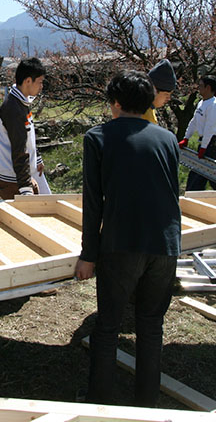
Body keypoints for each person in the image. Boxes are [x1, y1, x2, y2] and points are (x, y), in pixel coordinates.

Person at [75, 70, 181, 407]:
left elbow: (93, 202)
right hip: (165, 245)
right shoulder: (167, 139)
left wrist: (88, 255)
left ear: (116, 103)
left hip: (121, 244)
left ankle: (99, 403)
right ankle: (146, 404)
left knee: (108, 327)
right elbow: (172, 195)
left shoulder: (98, 137)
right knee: (151, 326)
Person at [0, 57, 48, 200]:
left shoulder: (21, 102)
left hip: (23, 173)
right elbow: (19, 149)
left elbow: (27, 137)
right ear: (28, 81)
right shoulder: (13, 109)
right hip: (14, 177)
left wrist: (37, 159)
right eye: (40, 82)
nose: (41, 86)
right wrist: (26, 188)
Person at [179, 76, 216, 191]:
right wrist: (186, 138)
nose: (198, 88)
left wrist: (204, 147)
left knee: (214, 178)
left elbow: (210, 128)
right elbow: (194, 121)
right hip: (205, 142)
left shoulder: (214, 105)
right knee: (197, 176)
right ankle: (193, 195)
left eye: (201, 86)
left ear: (208, 88)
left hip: (213, 143)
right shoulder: (201, 103)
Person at [143, 59, 176, 124]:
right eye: (166, 94)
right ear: (154, 89)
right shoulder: (142, 115)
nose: (168, 98)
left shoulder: (146, 109)